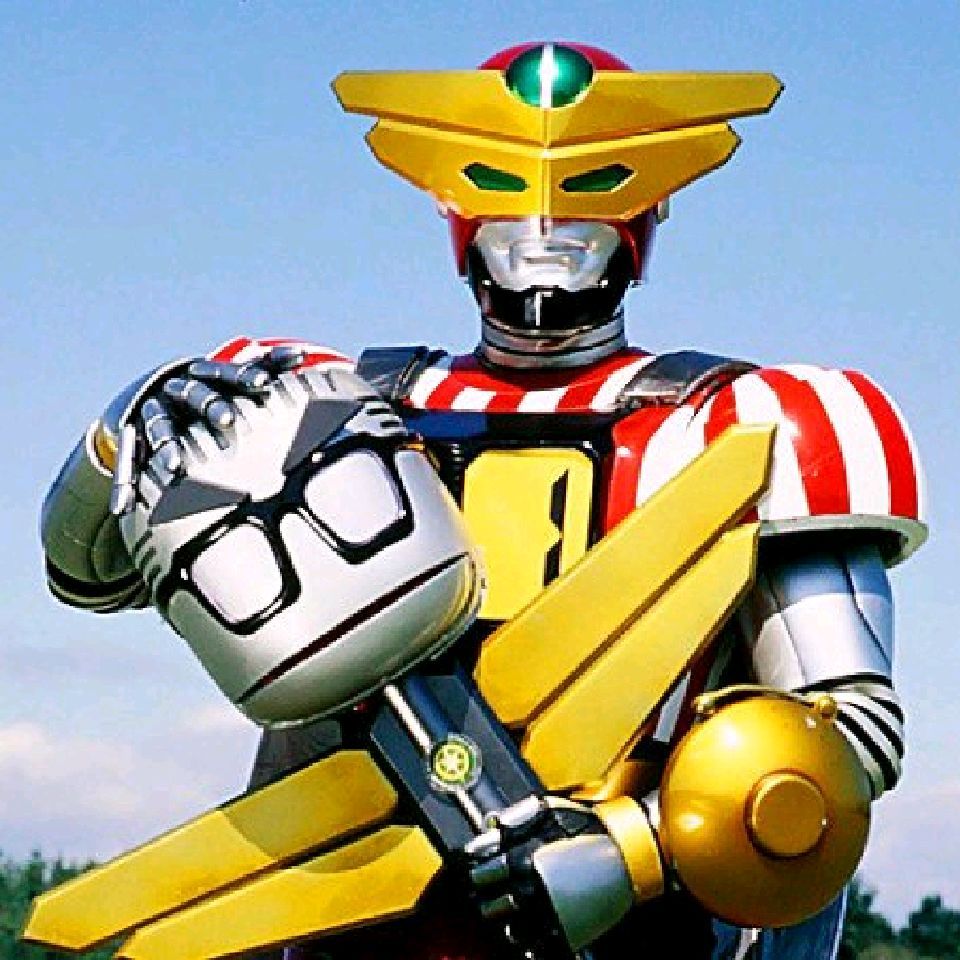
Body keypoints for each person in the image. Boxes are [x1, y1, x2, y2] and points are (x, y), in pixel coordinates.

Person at [38, 43, 925, 960]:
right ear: (451, 202)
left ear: (648, 204)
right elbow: (89, 571)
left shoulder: (752, 425)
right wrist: (123, 436)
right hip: (354, 916)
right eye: (504, 187)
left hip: (641, 925)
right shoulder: (323, 405)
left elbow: (840, 741)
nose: (543, 230)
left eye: (590, 189)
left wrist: (632, 852)